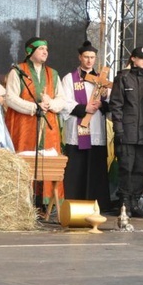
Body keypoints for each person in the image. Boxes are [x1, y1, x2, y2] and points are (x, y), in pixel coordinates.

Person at [4, 36, 66, 207]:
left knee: (48, 162)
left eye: (46, 49)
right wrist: (34, 107)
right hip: (25, 125)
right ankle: (23, 201)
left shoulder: (53, 74)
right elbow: (10, 98)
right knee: (25, 159)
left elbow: (62, 100)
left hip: (48, 125)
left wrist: (50, 103)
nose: (45, 51)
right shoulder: (18, 71)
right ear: (30, 51)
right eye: (41, 49)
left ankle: (44, 202)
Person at [61, 40, 112, 212]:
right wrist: (84, 108)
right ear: (80, 58)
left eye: (92, 57)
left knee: (95, 169)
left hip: (96, 129)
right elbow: (65, 102)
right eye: (86, 57)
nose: (89, 61)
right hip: (78, 130)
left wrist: (101, 105)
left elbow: (111, 102)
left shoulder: (102, 80)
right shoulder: (70, 79)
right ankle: (75, 204)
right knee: (78, 169)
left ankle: (97, 206)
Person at [109, 46, 143, 218]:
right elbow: (116, 104)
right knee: (126, 168)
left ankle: (135, 202)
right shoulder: (123, 77)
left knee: (139, 169)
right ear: (133, 59)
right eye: (141, 58)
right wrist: (118, 129)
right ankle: (124, 203)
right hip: (127, 131)